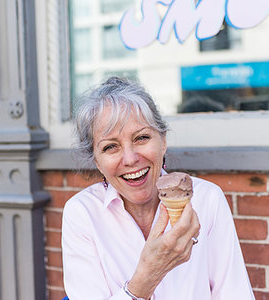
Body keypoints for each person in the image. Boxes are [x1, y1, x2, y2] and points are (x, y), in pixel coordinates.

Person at [62, 77, 255, 300]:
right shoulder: (82, 214)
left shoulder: (206, 199)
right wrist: (148, 276)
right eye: (110, 147)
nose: (130, 158)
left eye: (142, 137)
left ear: (163, 141)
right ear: (97, 161)